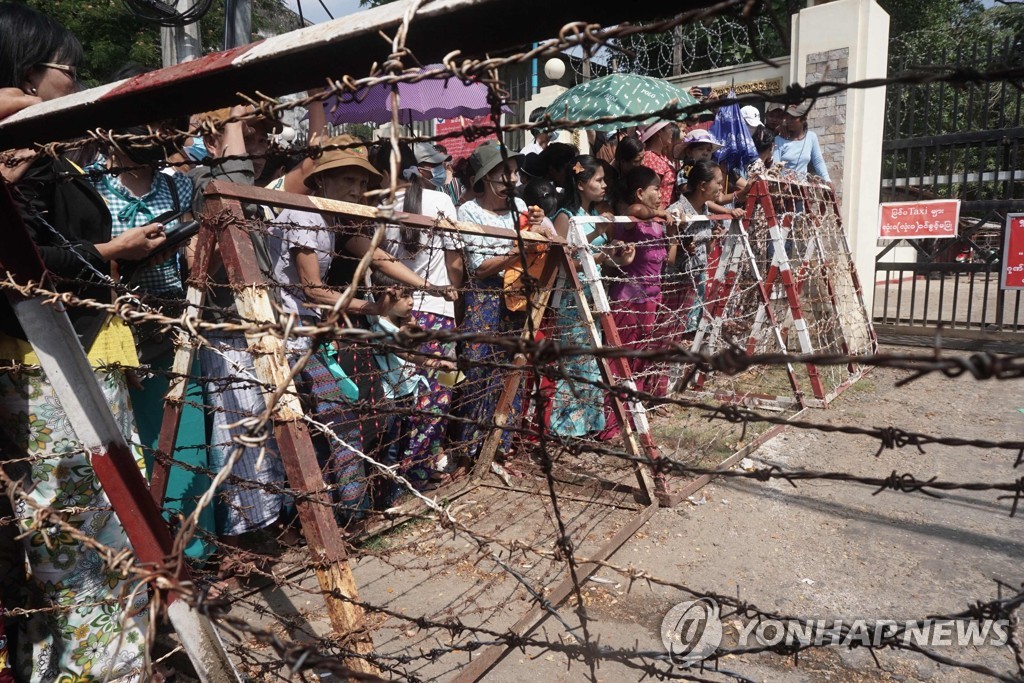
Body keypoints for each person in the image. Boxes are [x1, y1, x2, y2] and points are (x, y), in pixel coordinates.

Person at [0, 3, 156, 678]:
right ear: (30, 74)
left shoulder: (43, 149)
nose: (79, 82)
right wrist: (108, 248)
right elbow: (21, 265)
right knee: (80, 531)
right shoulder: (18, 152)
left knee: (99, 527)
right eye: (72, 70)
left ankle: (104, 659)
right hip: (48, 361)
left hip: (75, 346)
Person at [268, 135, 441, 526]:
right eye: (347, 179)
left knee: (340, 418)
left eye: (362, 182)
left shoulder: (334, 218)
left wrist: (426, 288)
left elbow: (375, 255)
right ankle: (345, 516)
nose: (356, 189)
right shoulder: (306, 215)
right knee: (335, 419)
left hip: (316, 335)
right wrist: (373, 307)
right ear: (323, 182)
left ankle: (340, 512)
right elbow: (312, 289)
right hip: (293, 337)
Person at [83, 67, 214, 560]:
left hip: (175, 325)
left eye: (161, 123)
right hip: (114, 332)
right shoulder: (91, 190)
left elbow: (197, 257)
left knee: (185, 445)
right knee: (131, 451)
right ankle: (144, 560)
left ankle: (193, 557)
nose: (152, 134)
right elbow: (84, 266)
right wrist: (125, 255)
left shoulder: (180, 189)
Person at [370, 141, 462, 486]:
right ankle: (422, 466)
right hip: (439, 311)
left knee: (407, 394)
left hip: (400, 314)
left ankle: (403, 470)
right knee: (440, 390)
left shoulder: (379, 207)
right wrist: (454, 289)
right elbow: (454, 259)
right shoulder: (440, 201)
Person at [454, 141, 548, 463]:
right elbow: (478, 268)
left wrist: (536, 229)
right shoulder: (468, 211)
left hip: (518, 295)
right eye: (503, 173)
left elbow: (538, 247)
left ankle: (500, 447)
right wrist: (518, 249)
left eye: (513, 172)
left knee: (511, 369)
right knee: (479, 369)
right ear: (485, 177)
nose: (512, 179)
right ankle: (469, 448)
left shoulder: (520, 208)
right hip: (484, 298)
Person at [548, 156, 634, 438]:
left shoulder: (596, 213)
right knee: (574, 363)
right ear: (581, 183)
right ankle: (565, 428)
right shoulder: (565, 217)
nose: (605, 184)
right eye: (598, 179)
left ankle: (586, 426)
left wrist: (616, 253)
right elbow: (562, 262)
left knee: (590, 363)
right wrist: (599, 238)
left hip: (593, 296)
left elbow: (596, 260)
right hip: (572, 300)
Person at [599, 166, 670, 440]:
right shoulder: (630, 221)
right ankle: (611, 422)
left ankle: (631, 416)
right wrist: (657, 212)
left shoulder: (658, 223)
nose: (661, 194)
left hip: (652, 301)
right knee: (620, 364)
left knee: (639, 362)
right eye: (656, 189)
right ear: (640, 192)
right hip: (628, 301)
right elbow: (636, 211)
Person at [668, 160, 742, 337]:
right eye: (717, 183)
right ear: (702, 185)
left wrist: (713, 238)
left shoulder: (704, 210)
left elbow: (704, 251)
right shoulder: (677, 212)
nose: (720, 188)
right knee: (676, 334)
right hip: (677, 285)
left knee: (694, 334)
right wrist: (682, 246)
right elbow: (667, 249)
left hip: (698, 282)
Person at [773, 102, 831, 183]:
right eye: (787, 118)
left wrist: (827, 180)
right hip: (783, 186)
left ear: (804, 119)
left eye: (793, 118)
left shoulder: (811, 137)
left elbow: (818, 161)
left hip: (802, 188)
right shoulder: (779, 139)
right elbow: (775, 166)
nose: (789, 121)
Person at [637, 120, 677, 208]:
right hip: (659, 214)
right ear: (659, 132)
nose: (672, 131)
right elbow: (650, 191)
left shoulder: (661, 157)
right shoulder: (650, 157)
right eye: (669, 128)